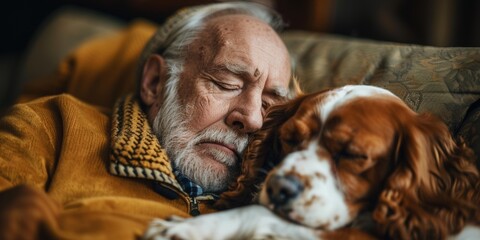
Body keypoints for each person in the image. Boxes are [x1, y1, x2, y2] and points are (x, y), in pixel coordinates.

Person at [0, 1, 292, 239]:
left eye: (269, 106)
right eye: (227, 83)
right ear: (155, 82)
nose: (253, 119)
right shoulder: (53, 127)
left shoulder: (278, 201)